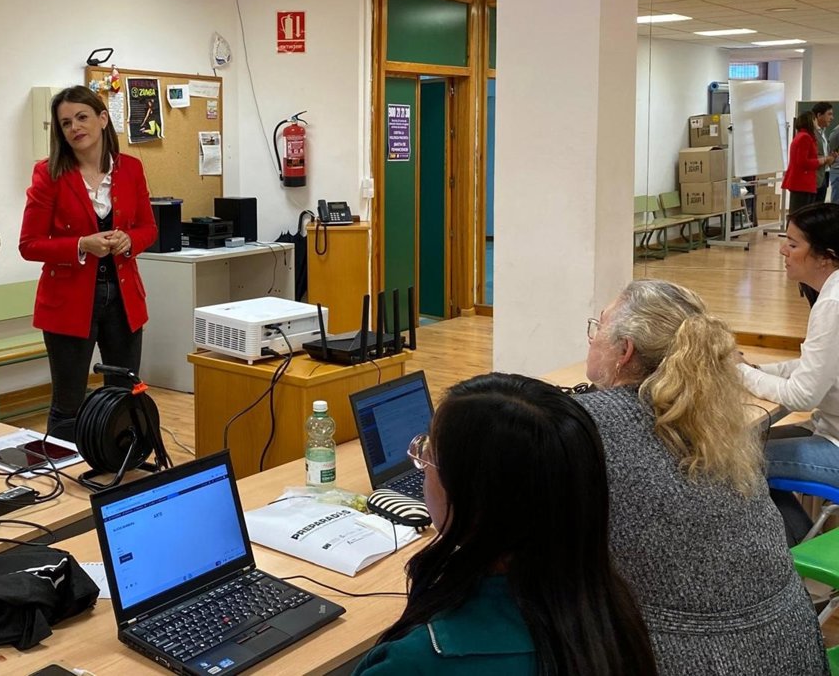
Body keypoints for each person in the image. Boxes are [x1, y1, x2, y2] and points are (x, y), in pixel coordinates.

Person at [581, 279, 826, 674]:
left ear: (624, 351)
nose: (592, 336)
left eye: (599, 325)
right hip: (793, 647)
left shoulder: (593, 424)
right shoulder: (716, 418)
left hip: (691, 659)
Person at [354, 373, 657, 676]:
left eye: (429, 457)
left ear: (475, 496)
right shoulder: (611, 615)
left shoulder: (417, 661)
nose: (423, 469)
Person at [19, 85, 156, 442]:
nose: (75, 127)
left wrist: (129, 240)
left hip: (124, 299)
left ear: (103, 118)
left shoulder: (130, 168)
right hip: (68, 302)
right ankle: (65, 468)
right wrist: (82, 245)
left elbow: (149, 228)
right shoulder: (49, 173)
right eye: (66, 123)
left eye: (82, 117)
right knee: (68, 403)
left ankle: (121, 460)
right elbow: (29, 245)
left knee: (124, 394)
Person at [741, 203, 839, 544]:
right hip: (827, 429)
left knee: (731, 461)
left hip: (834, 443)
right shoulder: (832, 294)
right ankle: (799, 545)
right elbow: (813, 366)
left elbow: (802, 395)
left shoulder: (833, 303)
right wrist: (756, 371)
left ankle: (793, 556)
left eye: (793, 244)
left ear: (825, 257)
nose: (783, 250)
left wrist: (739, 373)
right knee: (740, 443)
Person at [785, 110, 835, 215]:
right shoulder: (805, 137)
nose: (816, 122)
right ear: (811, 121)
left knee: (806, 214)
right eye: (815, 120)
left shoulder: (804, 136)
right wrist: (821, 160)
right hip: (802, 183)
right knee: (801, 214)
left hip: (805, 182)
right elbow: (803, 161)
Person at [813, 101, 834, 205]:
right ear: (819, 115)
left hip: (824, 176)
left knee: (819, 208)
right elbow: (810, 156)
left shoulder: (823, 132)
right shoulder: (811, 133)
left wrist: (831, 157)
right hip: (814, 178)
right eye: (829, 114)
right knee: (811, 209)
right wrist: (826, 159)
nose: (832, 118)